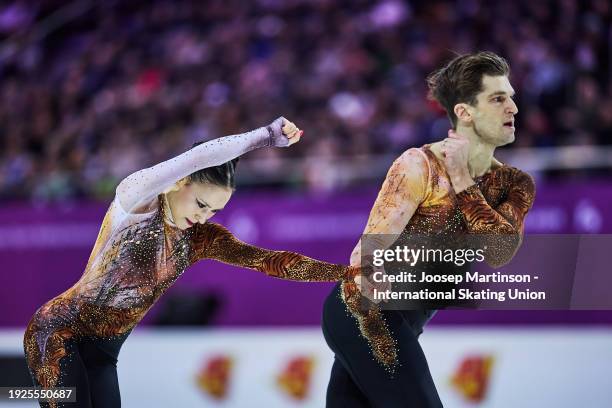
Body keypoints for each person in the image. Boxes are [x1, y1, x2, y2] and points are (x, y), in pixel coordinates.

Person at [23, 117, 358, 408]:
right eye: (200, 203)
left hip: (104, 354)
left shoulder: (201, 239)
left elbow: (270, 261)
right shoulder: (136, 199)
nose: (202, 216)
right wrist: (266, 136)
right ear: (180, 181)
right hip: (57, 334)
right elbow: (198, 156)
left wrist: (344, 273)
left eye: (213, 210)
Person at [322, 51, 536, 407]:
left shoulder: (515, 184)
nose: (513, 107)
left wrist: (464, 182)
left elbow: (500, 252)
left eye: (511, 97)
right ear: (464, 113)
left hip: (403, 325)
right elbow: (368, 250)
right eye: (498, 99)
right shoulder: (418, 164)